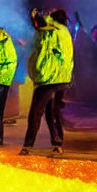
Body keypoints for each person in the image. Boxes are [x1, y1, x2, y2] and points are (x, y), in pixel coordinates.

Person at [20, 8, 74, 155]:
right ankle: (57, 142)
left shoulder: (52, 29)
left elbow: (41, 28)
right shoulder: (65, 32)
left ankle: (28, 145)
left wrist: (34, 17)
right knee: (52, 111)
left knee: (36, 111)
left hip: (49, 76)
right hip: (62, 77)